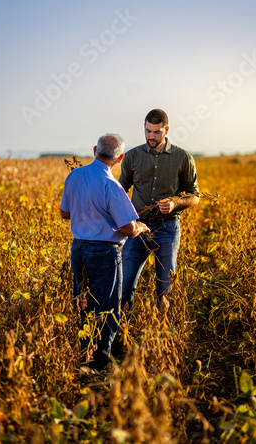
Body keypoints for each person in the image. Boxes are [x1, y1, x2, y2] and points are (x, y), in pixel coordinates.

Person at [60, 134, 149, 370]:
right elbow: (127, 228)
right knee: (108, 307)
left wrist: (86, 210)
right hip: (105, 252)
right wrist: (140, 227)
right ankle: (101, 361)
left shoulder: (74, 176)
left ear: (94, 150)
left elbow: (64, 213)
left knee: (83, 303)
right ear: (120, 158)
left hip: (78, 248)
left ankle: (83, 356)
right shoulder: (112, 185)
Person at [119, 109, 199, 312]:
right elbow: (121, 191)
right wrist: (126, 221)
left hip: (168, 229)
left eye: (156, 132)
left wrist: (174, 204)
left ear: (166, 130)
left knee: (165, 288)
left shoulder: (183, 158)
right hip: (138, 229)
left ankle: (163, 335)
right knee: (124, 284)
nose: (151, 137)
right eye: (148, 131)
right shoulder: (132, 156)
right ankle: (121, 334)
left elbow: (194, 196)